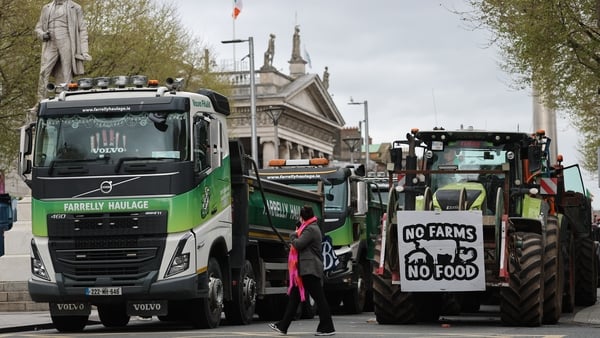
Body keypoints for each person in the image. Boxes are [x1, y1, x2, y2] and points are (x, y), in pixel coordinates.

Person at [269, 205, 335, 336]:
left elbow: (298, 244)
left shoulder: (310, 229)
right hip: (304, 270)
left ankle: (327, 327)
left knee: (319, 298)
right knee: (294, 298)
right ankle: (283, 326)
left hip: (310, 270)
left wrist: (293, 234)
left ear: (303, 217)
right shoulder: (309, 228)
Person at [34, 0, 91, 103]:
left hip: (66, 40)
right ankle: (40, 102)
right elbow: (38, 28)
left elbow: (82, 29)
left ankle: (66, 100)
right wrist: (42, 34)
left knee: (66, 72)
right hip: (50, 41)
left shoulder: (75, 7)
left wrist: (84, 50)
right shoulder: (46, 8)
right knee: (43, 71)